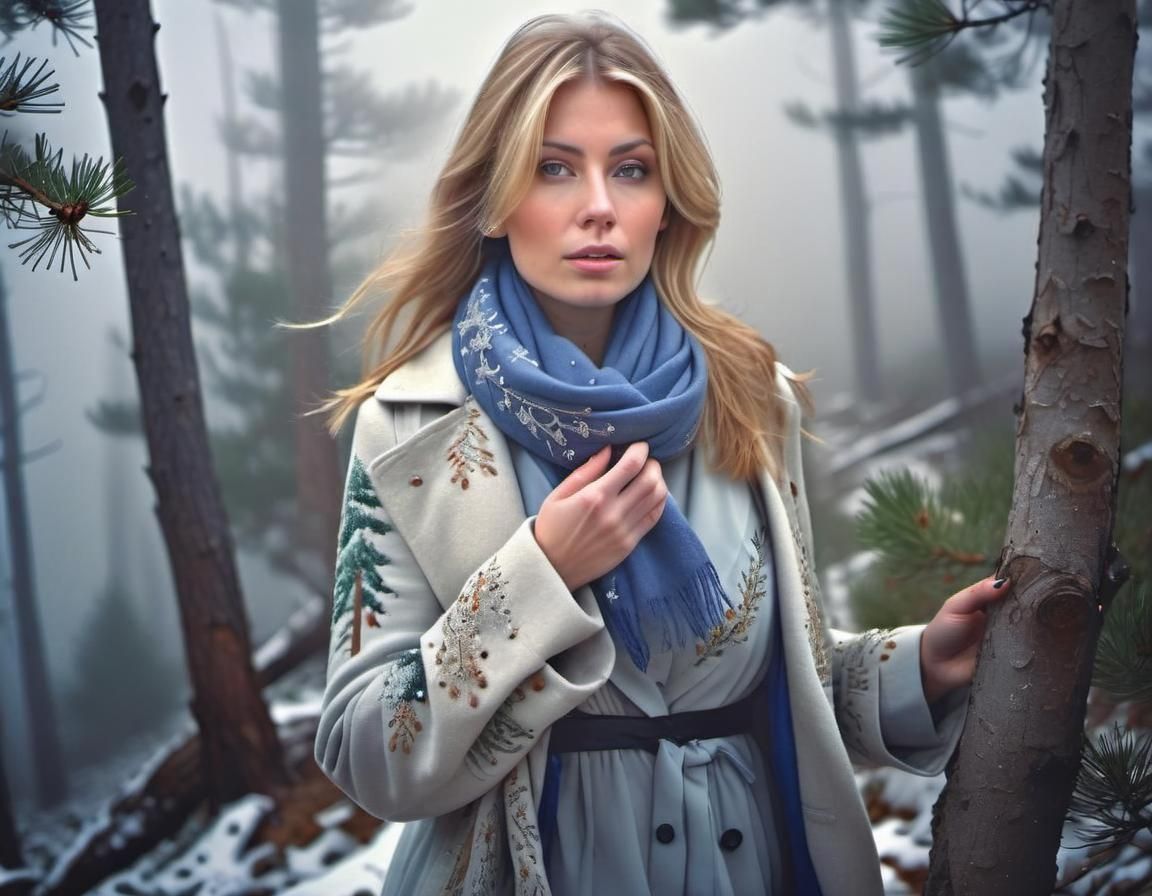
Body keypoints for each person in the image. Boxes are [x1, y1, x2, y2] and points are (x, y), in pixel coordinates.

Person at [313, 12, 1005, 896]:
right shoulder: (412, 421)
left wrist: (917, 667)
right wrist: (541, 576)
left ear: (667, 199)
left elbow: (773, 679)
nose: (599, 205)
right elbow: (365, 751)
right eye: (554, 167)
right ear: (493, 196)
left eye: (631, 169)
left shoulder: (753, 397)